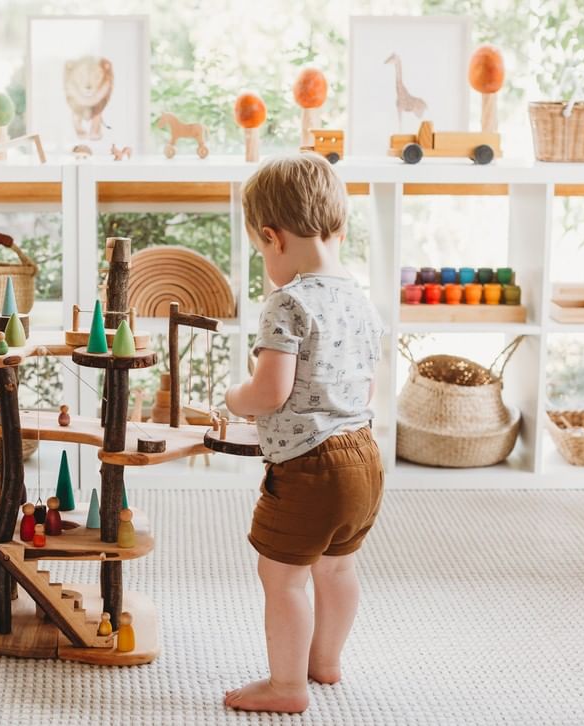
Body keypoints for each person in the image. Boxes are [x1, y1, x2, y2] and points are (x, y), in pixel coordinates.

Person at [223, 155, 384, 714]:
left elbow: (269, 392)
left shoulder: (286, 303)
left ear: (271, 237)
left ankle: (287, 687)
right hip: (364, 458)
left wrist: (234, 398)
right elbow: (365, 391)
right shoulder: (360, 301)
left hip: (310, 467)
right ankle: (326, 662)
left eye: (262, 248)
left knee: (282, 577)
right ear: (337, 229)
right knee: (338, 567)